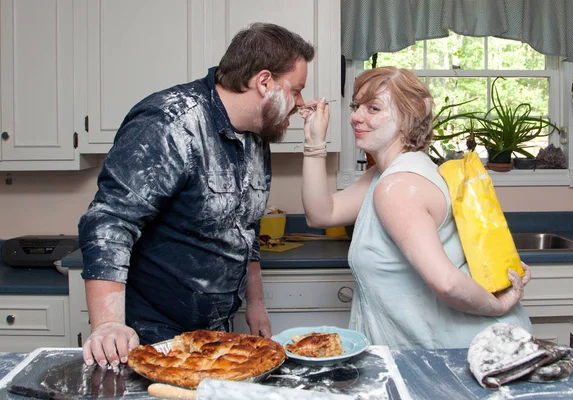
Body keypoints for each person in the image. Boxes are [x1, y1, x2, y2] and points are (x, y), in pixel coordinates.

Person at [78, 22, 315, 367]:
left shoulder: (255, 134)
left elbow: (245, 229)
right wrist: (108, 323)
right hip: (150, 332)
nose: (300, 103)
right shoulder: (170, 121)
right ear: (264, 82)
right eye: (296, 90)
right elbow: (109, 221)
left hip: (215, 331)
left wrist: (256, 304)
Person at [299, 67, 532, 350]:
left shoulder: (397, 187)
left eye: (373, 108)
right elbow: (322, 214)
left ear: (407, 118)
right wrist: (314, 142)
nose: (356, 116)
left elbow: (447, 282)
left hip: (456, 355)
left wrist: (498, 306)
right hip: (438, 351)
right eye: (356, 106)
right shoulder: (383, 176)